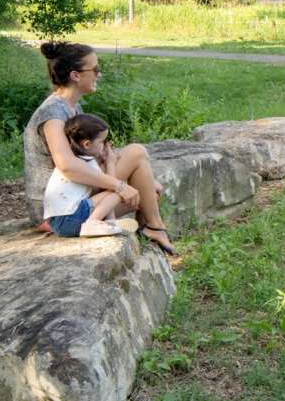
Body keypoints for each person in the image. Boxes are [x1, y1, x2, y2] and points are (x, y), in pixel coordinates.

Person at [23, 41, 177, 254]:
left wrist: (144, 182)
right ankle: (154, 227)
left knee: (148, 193)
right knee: (136, 153)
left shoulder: (72, 106)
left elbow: (85, 157)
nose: (99, 74)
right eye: (95, 69)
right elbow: (67, 166)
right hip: (58, 208)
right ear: (76, 75)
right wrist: (119, 186)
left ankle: (149, 230)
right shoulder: (53, 115)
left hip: (74, 194)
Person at [44, 114, 127, 238]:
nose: (104, 145)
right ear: (87, 144)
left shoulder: (74, 158)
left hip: (57, 223)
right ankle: (93, 224)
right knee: (118, 192)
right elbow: (111, 185)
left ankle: (110, 223)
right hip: (69, 220)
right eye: (101, 141)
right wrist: (110, 162)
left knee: (113, 193)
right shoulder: (87, 163)